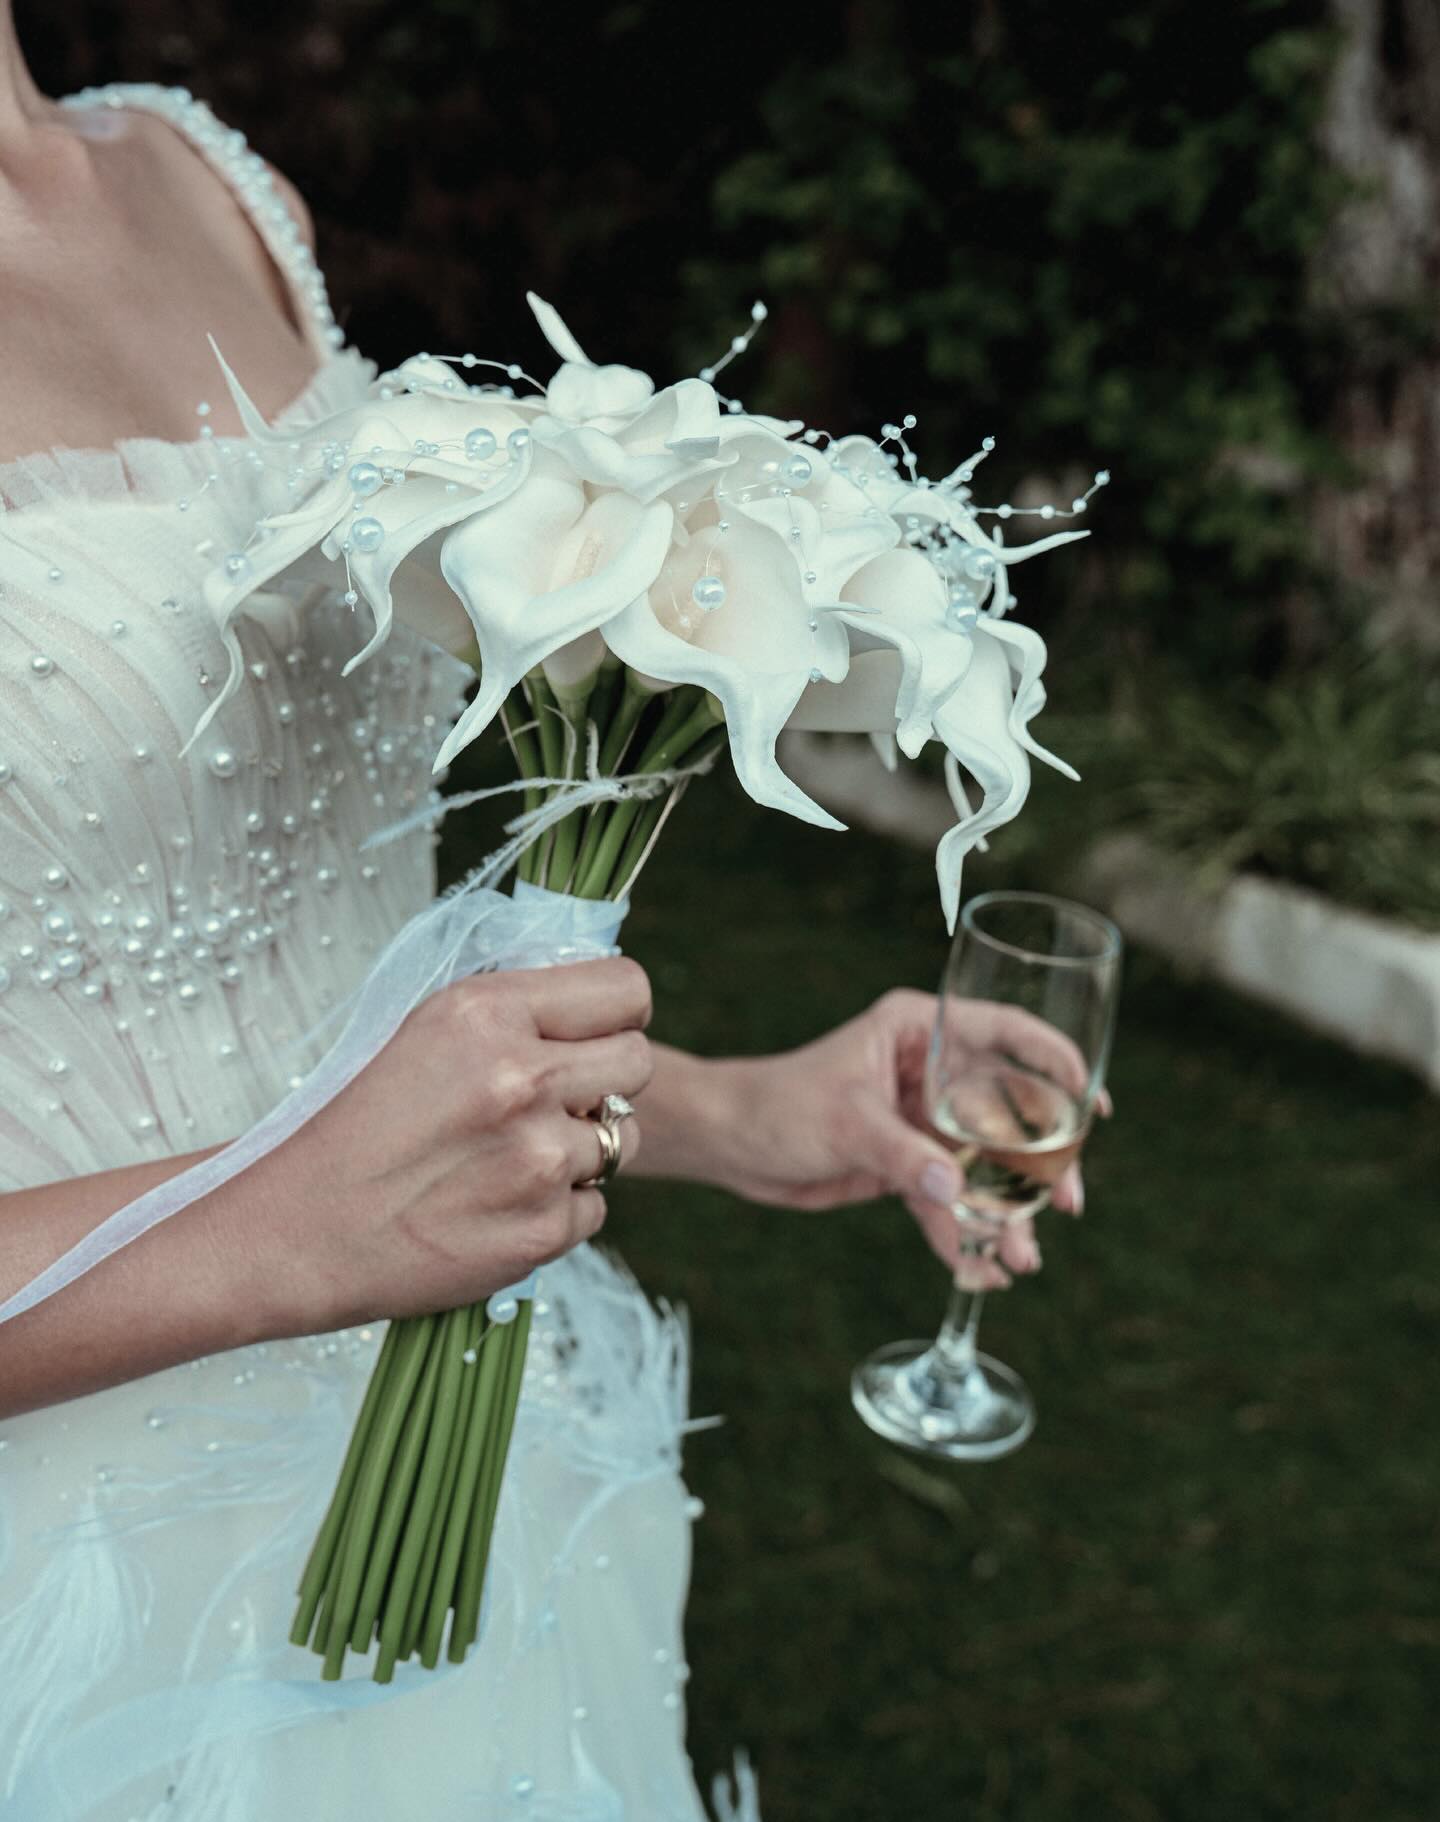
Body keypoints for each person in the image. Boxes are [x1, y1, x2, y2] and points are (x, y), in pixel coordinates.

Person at [0, 23, 1066, 1819]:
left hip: (478, 1444)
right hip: (89, 1579)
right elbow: (324, 1170)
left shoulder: (205, 178)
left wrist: (726, 1109)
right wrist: (286, 1228)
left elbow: (306, 939)